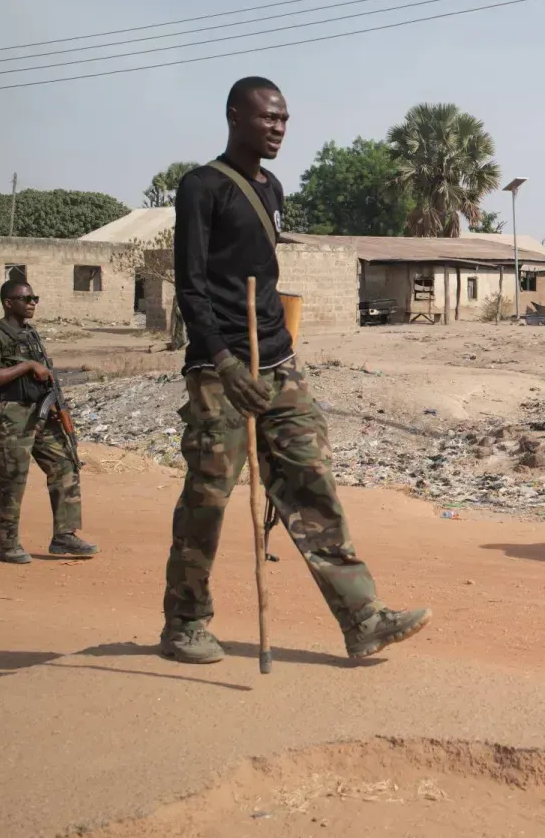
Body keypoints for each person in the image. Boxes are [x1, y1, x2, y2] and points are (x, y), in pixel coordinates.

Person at [160, 75, 431, 665]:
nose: (279, 128)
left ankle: (363, 618)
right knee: (208, 496)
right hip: (220, 370)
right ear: (235, 117)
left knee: (311, 483)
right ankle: (184, 621)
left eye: (284, 119)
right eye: (267, 118)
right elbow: (191, 286)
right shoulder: (201, 187)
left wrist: (276, 351)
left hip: (277, 360)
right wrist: (227, 362)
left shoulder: (273, 186)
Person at [0, 279, 98, 564]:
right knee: (13, 478)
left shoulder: (30, 334)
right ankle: (9, 545)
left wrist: (55, 403)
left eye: (35, 298)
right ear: (9, 303)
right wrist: (28, 366)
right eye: (26, 298)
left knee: (65, 464)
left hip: (40, 413)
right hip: (13, 416)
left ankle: (64, 535)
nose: (32, 303)